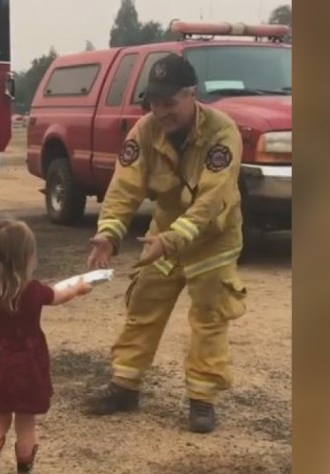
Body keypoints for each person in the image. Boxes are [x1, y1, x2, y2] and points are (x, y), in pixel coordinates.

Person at [84, 54, 248, 433]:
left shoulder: (223, 133)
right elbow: (124, 187)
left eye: (169, 103)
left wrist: (173, 239)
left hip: (212, 239)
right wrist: (108, 233)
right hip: (164, 235)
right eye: (154, 102)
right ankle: (125, 385)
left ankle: (202, 400)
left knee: (209, 317)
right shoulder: (144, 130)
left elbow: (211, 199)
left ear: (192, 95)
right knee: (144, 305)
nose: (160, 111)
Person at [0, 218, 93, 474]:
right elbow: (60, 295)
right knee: (26, 423)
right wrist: (80, 288)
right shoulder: (34, 290)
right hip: (29, 367)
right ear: (27, 257)